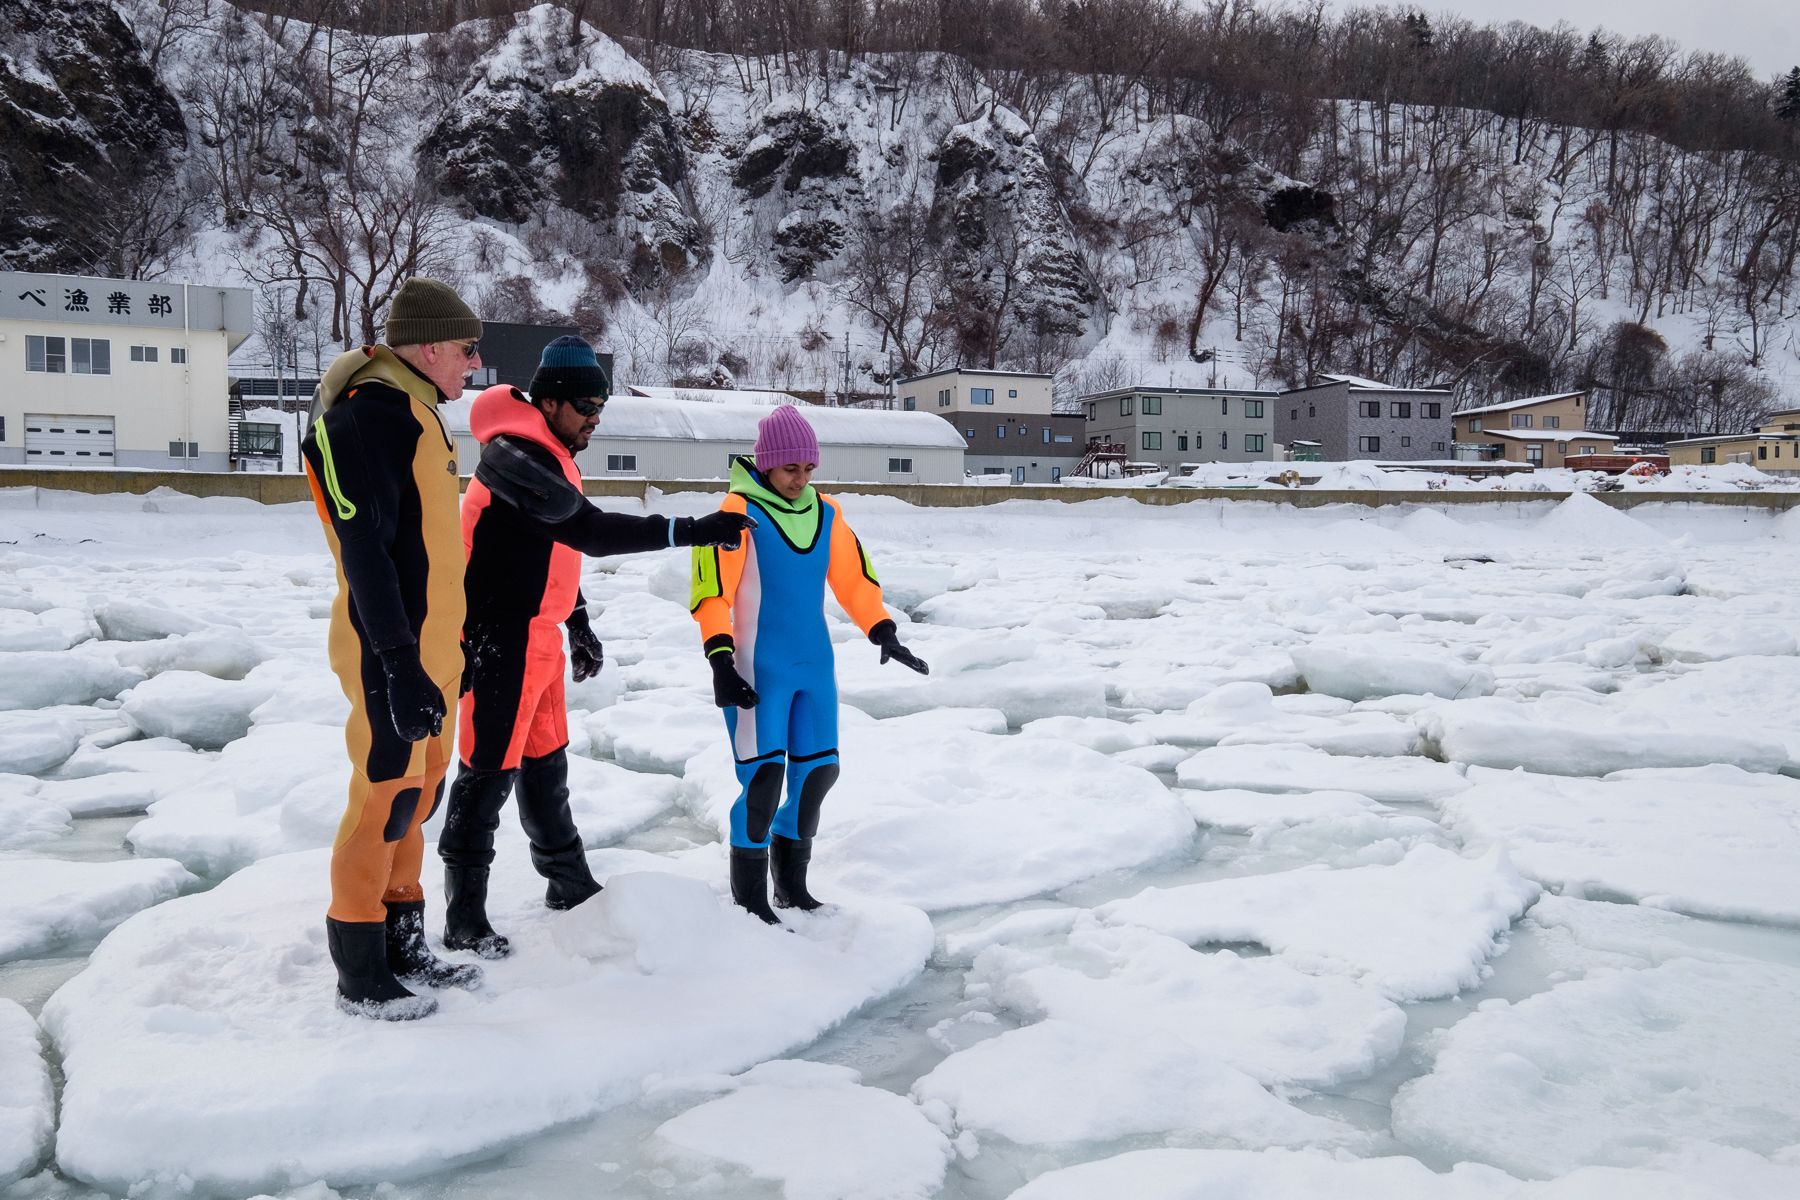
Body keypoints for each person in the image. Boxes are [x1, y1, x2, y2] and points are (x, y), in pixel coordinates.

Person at [439, 336, 754, 958]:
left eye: (600, 408)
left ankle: (567, 881)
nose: (594, 419)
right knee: (485, 774)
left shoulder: (549, 450)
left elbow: (552, 546)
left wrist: (577, 619)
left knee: (545, 766)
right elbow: (588, 530)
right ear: (548, 400)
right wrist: (692, 529)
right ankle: (464, 917)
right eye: (585, 405)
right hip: (496, 639)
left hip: (539, 637)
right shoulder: (513, 457)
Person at [300, 277, 485, 1021]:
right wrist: (400, 663)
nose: (476, 363)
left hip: (433, 653)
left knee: (422, 792)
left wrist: (455, 646)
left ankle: (403, 936)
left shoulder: (421, 412)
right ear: (431, 345)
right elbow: (368, 555)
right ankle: (359, 959)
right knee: (385, 793)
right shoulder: (370, 417)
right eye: (468, 349)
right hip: (390, 652)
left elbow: (433, 553)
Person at [690, 405, 928, 924]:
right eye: (790, 468)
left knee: (819, 772)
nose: (800, 479)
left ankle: (792, 889)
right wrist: (720, 658)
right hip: (757, 669)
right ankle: (750, 903)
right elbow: (712, 591)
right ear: (767, 465)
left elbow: (853, 578)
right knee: (763, 780)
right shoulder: (735, 515)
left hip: (814, 667)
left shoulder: (827, 513)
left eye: (808, 469)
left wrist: (881, 629)